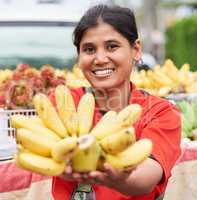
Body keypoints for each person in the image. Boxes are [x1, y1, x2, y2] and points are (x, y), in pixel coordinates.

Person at [51, 4, 181, 200]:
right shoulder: (64, 104)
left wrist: (115, 177)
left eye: (112, 46)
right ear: (79, 56)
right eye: (89, 49)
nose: (100, 58)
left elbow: (146, 179)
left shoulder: (161, 113)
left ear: (136, 50)